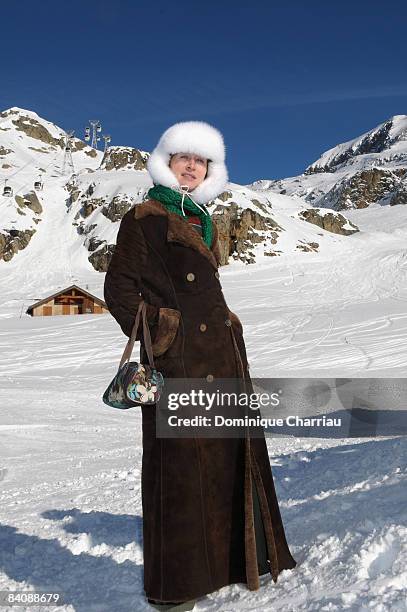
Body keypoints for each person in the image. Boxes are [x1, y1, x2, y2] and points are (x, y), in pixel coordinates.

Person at [103, 121, 297, 611]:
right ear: (165, 162)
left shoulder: (201, 221)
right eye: (182, 157)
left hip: (220, 359)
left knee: (226, 461)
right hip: (179, 363)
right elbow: (119, 289)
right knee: (180, 472)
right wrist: (164, 331)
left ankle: (232, 562)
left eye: (200, 160)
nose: (191, 166)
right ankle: (179, 585)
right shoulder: (144, 217)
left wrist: (225, 320)